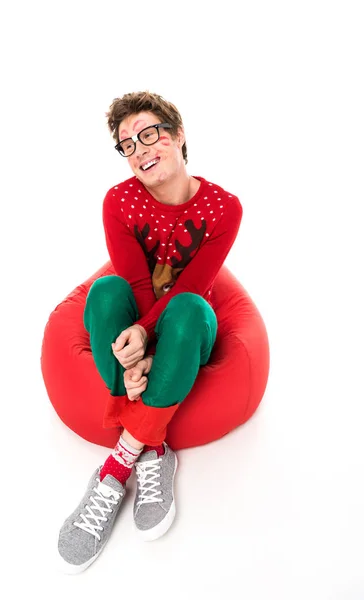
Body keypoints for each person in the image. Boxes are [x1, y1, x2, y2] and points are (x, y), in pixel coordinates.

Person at [57, 91, 243, 574]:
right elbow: (137, 284)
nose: (139, 150)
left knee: (184, 304)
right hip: (141, 324)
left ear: (178, 135)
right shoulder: (118, 200)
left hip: (185, 325)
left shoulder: (225, 208)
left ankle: (121, 461)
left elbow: (197, 285)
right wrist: (139, 349)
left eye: (149, 134)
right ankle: (154, 443)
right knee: (104, 294)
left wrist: (148, 337)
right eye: (127, 145)